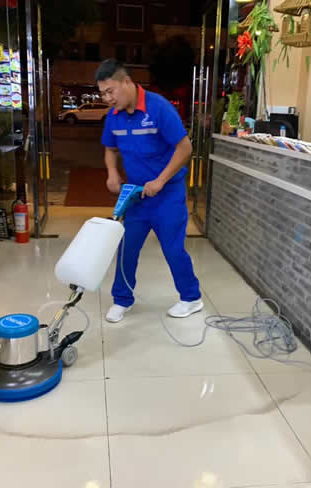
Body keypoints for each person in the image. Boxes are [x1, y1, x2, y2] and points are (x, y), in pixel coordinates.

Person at [96, 58, 203, 323]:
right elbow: (110, 148)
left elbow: (185, 148)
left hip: (167, 195)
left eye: (110, 91)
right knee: (127, 248)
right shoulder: (114, 117)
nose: (107, 99)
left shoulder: (159, 108)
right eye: (103, 94)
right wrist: (112, 172)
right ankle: (122, 299)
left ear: (126, 82)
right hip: (136, 196)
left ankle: (191, 298)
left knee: (173, 249)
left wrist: (161, 180)